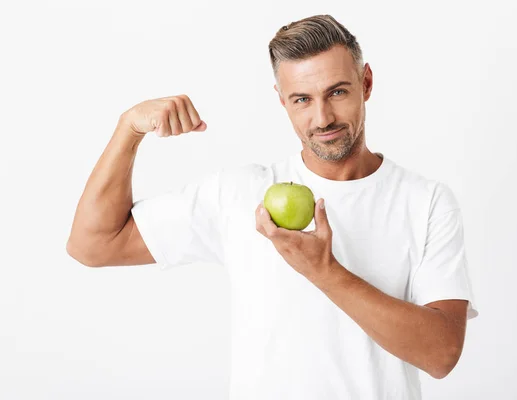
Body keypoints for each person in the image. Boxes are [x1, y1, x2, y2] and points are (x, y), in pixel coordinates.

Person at [67, 14, 478, 400]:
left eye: (337, 92)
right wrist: (129, 129)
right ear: (281, 100)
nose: (323, 117)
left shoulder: (425, 202)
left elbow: (441, 355)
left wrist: (325, 271)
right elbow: (93, 244)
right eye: (302, 99)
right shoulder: (241, 193)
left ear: (366, 83)